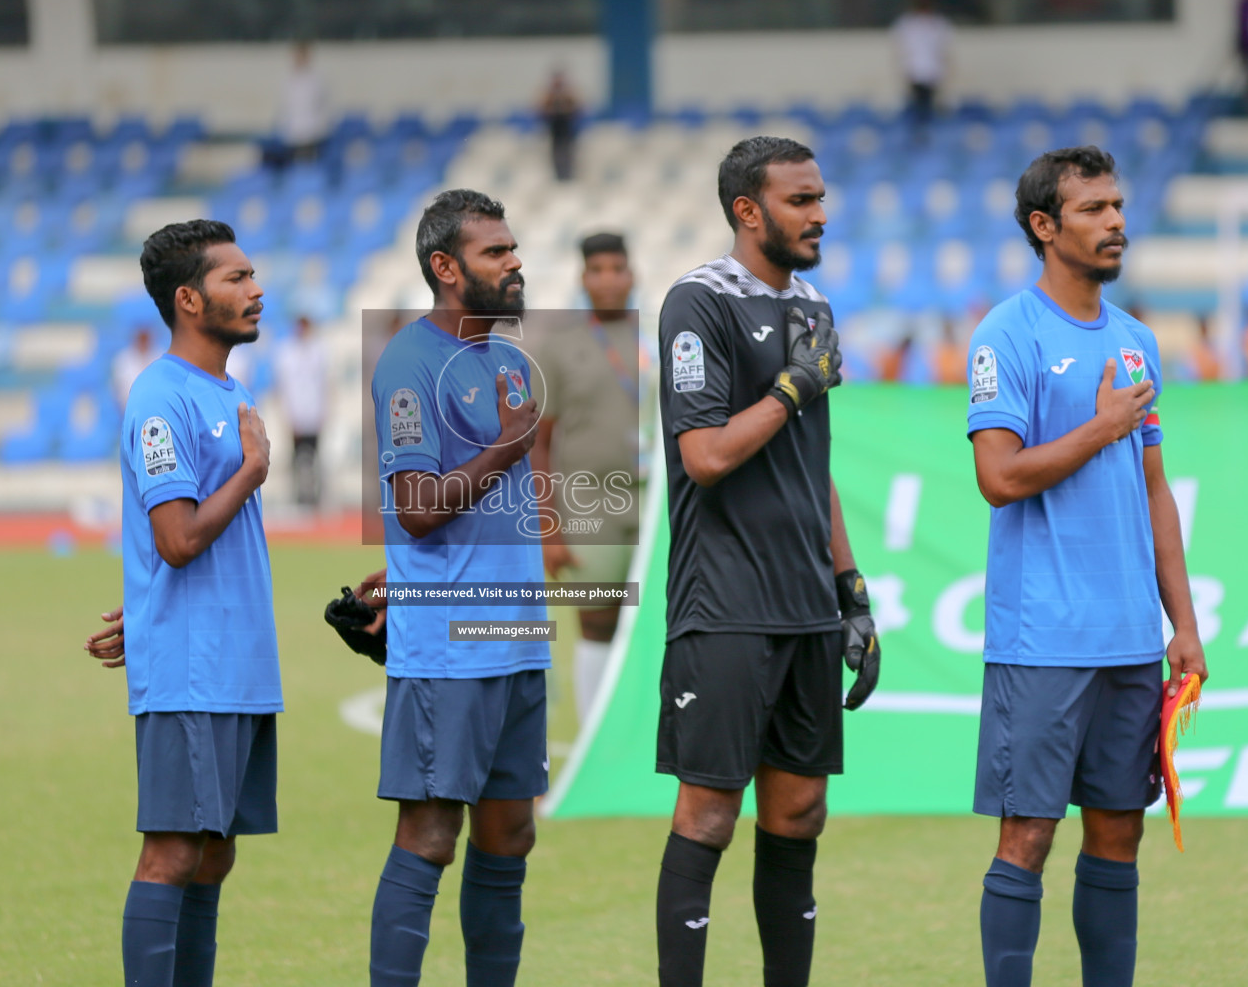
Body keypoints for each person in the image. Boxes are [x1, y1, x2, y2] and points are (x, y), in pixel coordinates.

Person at [965, 146, 1207, 987]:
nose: (1116, 223)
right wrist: (1100, 427)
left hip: (1131, 642)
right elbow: (998, 479)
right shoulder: (1007, 333)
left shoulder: (1137, 339)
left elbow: (1153, 489)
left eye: (1118, 206)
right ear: (1044, 226)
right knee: (1026, 837)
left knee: (1118, 834)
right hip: (1041, 642)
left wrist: (1183, 626)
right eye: (1094, 210)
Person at [653, 136, 878, 987]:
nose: (820, 214)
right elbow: (705, 455)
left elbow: (810, 470)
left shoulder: (815, 307)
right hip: (726, 608)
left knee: (800, 813)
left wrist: (851, 592)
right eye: (801, 200)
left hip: (807, 610)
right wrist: (791, 387)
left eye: (821, 197)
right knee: (709, 813)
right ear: (749, 211)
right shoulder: (696, 304)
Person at [359, 189, 549, 987]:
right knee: (431, 837)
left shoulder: (508, 361)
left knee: (510, 837)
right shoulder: (409, 362)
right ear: (446, 268)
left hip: (518, 641)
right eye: (495, 253)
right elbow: (416, 508)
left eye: (513, 249)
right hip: (450, 653)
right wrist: (508, 449)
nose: (515, 264)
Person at [81, 219, 277, 987]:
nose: (255, 288)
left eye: (253, 273)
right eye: (236, 278)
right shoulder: (160, 397)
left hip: (236, 659)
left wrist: (148, 604)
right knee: (172, 851)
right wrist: (251, 471)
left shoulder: (229, 388)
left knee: (214, 852)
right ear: (189, 299)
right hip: (195, 667)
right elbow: (178, 538)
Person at [528, 231, 646, 724]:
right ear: (583, 279)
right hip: (589, 507)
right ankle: (595, 743)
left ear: (631, 274)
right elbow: (539, 442)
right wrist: (548, 527)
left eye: (616, 269)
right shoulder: (558, 349)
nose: (608, 280)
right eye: (596, 271)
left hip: (656, 505)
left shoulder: (661, 339)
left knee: (653, 623)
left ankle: (640, 740)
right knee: (598, 624)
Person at [275, 314, 329, 508]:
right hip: (296, 413)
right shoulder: (286, 352)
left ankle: (316, 495)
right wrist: (287, 417)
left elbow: (324, 384)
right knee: (296, 458)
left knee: (315, 457)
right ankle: (298, 495)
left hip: (314, 412)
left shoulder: (319, 350)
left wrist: (324, 412)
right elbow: (284, 388)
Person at [892, 0, 952, 136]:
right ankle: (917, 137)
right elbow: (901, 48)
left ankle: (929, 136)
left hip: (932, 73)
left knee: (931, 108)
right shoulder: (906, 24)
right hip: (915, 72)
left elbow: (944, 50)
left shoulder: (939, 24)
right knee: (916, 108)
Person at [279, 40, 329, 163]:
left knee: (307, 168)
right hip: (292, 135)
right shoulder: (289, 80)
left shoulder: (316, 80)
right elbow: (287, 107)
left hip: (310, 134)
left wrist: (317, 130)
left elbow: (321, 106)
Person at [539, 69, 581, 182]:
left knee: (567, 154)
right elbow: (542, 109)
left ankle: (568, 176)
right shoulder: (549, 95)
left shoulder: (568, 94)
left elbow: (577, 108)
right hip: (555, 129)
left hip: (567, 129)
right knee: (556, 154)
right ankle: (558, 177)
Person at [112, 325, 162, 409]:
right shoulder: (122, 359)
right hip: (129, 411)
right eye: (141, 337)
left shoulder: (160, 357)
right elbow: (118, 390)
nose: (143, 341)